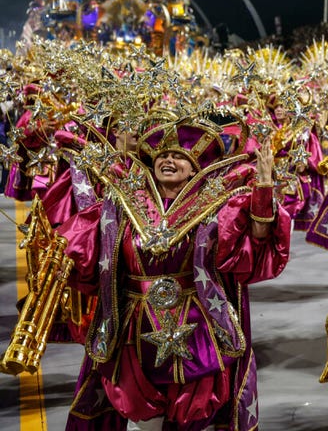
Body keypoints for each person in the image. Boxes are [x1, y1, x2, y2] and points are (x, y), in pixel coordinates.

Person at [57, 114, 291, 430]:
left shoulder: (217, 206)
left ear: (195, 169)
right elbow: (90, 250)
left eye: (178, 156)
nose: (168, 160)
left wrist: (263, 189)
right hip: (133, 331)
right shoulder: (123, 204)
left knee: (195, 414)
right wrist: (60, 252)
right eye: (163, 155)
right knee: (147, 418)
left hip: (199, 329)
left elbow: (256, 245)